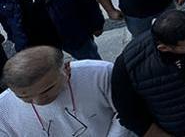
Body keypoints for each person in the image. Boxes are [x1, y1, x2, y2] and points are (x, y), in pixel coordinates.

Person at [0, 46, 130, 136]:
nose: (39, 101)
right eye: (25, 97)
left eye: (47, 89)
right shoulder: (3, 108)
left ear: (66, 68)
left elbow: (127, 111)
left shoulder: (99, 73)